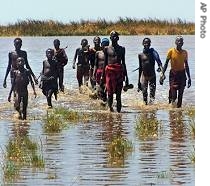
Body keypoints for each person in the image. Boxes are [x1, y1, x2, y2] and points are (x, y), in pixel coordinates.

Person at [101, 31, 129, 112]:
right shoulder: (106, 49)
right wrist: (103, 76)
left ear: (118, 38)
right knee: (109, 94)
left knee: (118, 95)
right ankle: (110, 111)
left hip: (119, 73)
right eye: (113, 36)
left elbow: (123, 63)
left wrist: (126, 77)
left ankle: (119, 114)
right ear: (110, 38)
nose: (114, 38)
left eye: (116, 36)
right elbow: (105, 63)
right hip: (109, 73)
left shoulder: (122, 49)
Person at [161, 36, 191, 108]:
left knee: (180, 95)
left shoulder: (185, 52)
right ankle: (171, 108)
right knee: (174, 96)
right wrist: (162, 74)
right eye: (178, 41)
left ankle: (179, 113)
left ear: (183, 43)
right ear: (175, 42)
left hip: (182, 75)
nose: (179, 42)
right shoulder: (171, 51)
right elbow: (166, 63)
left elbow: (186, 65)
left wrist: (189, 78)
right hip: (173, 75)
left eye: (181, 41)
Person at [137, 37, 164, 105]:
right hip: (144, 76)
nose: (146, 44)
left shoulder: (153, 53)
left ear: (150, 44)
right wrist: (138, 82)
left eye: (148, 43)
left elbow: (159, 62)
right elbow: (140, 68)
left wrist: (162, 72)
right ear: (142, 44)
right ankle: (145, 109)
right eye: (145, 43)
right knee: (144, 94)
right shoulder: (140, 55)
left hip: (152, 76)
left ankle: (152, 111)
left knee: (152, 96)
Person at [93, 38, 109, 102]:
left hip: (107, 73)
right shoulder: (98, 53)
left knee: (107, 88)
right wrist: (94, 73)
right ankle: (101, 101)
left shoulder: (110, 53)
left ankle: (106, 101)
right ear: (101, 45)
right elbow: (95, 64)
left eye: (107, 45)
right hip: (99, 72)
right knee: (100, 88)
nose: (105, 46)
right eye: (104, 44)